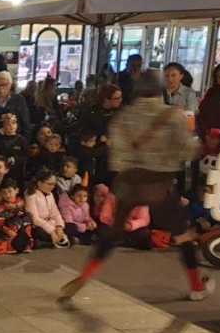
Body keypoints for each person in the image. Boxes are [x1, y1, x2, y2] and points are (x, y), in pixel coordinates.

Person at [60, 71, 209, 301]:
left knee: (111, 234)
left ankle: (85, 275)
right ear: (160, 91)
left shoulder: (124, 116)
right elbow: (187, 151)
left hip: (127, 183)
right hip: (159, 185)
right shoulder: (172, 116)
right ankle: (196, 286)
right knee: (183, 233)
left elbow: (115, 158)